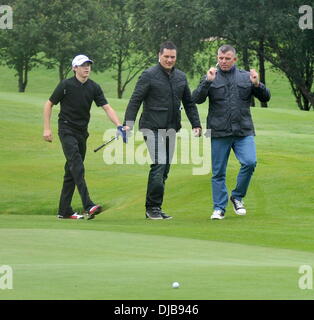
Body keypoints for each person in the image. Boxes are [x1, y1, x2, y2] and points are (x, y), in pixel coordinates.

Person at [123, 41, 202, 220]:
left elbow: (189, 103)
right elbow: (135, 100)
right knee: (160, 163)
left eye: (172, 57)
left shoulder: (181, 77)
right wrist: (128, 123)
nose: (169, 60)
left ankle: (156, 207)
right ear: (159, 55)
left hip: (171, 129)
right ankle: (151, 208)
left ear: (176, 57)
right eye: (166, 56)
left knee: (164, 169)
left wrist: (196, 124)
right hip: (151, 127)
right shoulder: (148, 75)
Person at [192, 45, 271, 220]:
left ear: (234, 59)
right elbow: (196, 99)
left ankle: (237, 196)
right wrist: (207, 81)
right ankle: (219, 208)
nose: (223, 61)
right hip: (219, 132)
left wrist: (257, 84)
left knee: (250, 162)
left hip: (243, 130)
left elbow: (266, 97)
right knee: (218, 172)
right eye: (220, 58)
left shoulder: (245, 77)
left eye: (227, 58)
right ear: (217, 58)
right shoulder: (211, 77)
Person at [43, 54, 126, 220]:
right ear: (75, 68)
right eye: (82, 65)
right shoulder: (66, 85)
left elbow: (107, 107)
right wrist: (47, 129)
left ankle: (64, 210)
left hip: (82, 132)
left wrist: (119, 125)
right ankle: (88, 204)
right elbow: (49, 104)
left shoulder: (93, 87)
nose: (86, 68)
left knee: (71, 170)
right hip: (66, 129)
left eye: (88, 65)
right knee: (77, 165)